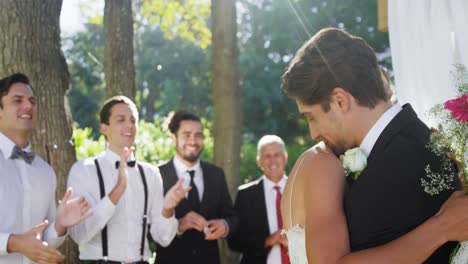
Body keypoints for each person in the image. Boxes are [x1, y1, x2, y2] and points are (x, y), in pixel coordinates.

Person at [280, 27, 468, 263]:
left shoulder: (405, 161)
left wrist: (441, 228)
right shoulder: (406, 145)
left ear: (340, 101)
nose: (313, 133)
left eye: (312, 117)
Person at [67, 96, 189, 263]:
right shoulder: (84, 170)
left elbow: (164, 238)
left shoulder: (150, 174)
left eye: (133, 120)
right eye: (120, 120)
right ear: (104, 128)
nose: (129, 125)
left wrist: (168, 209)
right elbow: (79, 234)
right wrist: (116, 192)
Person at [0, 73, 91, 264]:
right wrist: (13, 242)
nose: (28, 106)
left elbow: (43, 240)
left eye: (32, 101)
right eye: (18, 100)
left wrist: (59, 225)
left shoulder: (45, 172)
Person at [155, 110, 237, 264]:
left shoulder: (216, 174)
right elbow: (149, 230)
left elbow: (232, 216)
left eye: (198, 135)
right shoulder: (157, 175)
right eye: (186, 135)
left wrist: (225, 225)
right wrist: (178, 226)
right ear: (174, 138)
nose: (193, 141)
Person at [228, 135, 291, 264]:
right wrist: (268, 240)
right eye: (267, 156)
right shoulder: (245, 195)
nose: (272, 161)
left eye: (277, 155)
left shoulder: (300, 189)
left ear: (285, 158)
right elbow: (234, 241)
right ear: (259, 161)